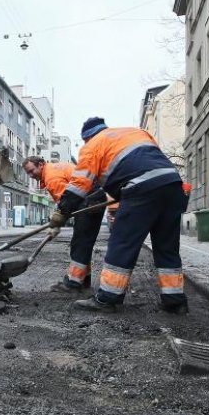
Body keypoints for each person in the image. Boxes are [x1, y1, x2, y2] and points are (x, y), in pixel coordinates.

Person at [49, 117, 188, 313]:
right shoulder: (135, 132)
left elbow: (79, 184)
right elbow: (147, 161)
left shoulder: (92, 146)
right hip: (173, 185)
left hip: (141, 190)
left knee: (122, 242)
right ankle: (175, 301)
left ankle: (107, 298)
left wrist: (61, 212)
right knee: (167, 247)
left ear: (87, 137)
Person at [23, 156, 106, 292]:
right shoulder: (54, 170)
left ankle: (73, 283)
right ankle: (84, 280)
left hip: (90, 199)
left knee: (80, 242)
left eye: (32, 171)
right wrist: (58, 221)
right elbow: (66, 203)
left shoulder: (51, 177)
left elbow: (67, 202)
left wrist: (57, 223)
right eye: (28, 173)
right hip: (92, 197)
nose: (31, 175)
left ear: (41, 165)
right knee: (83, 243)